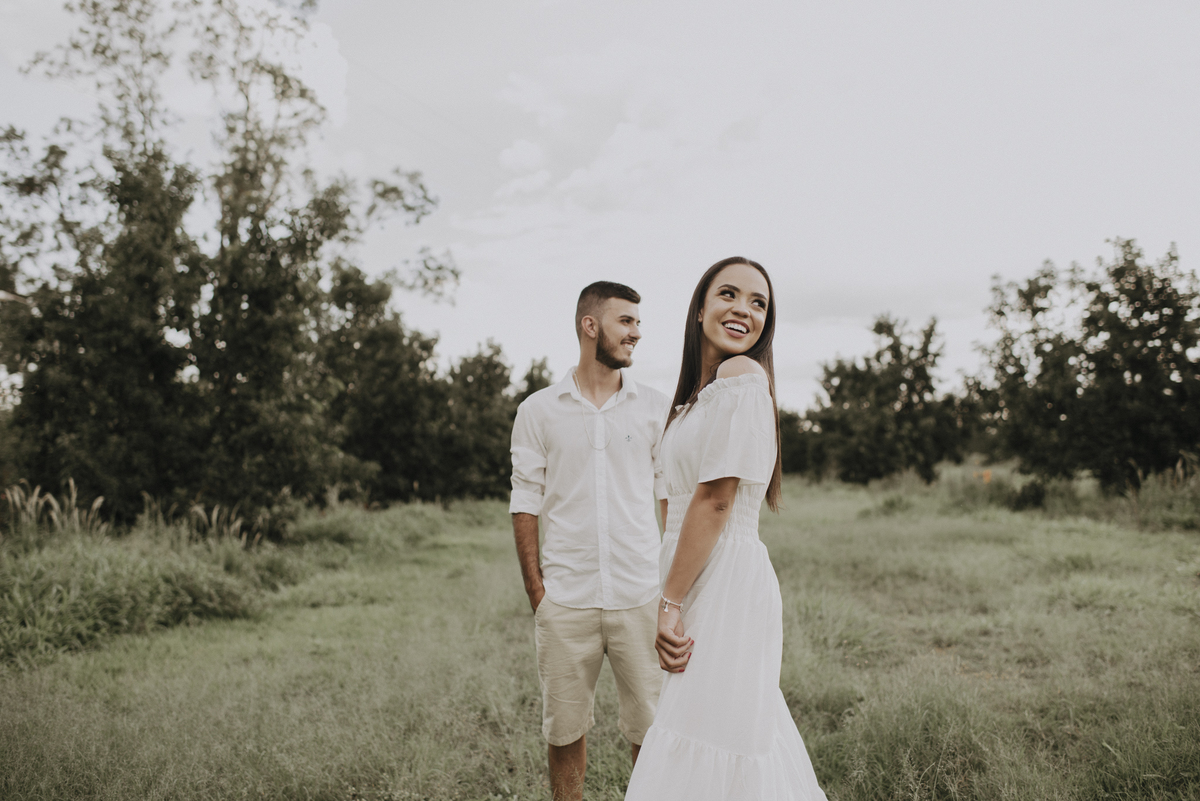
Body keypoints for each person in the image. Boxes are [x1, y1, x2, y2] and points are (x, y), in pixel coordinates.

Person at [624, 258, 827, 800]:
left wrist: (669, 602)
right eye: (729, 294)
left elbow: (715, 501)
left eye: (759, 302)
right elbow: (674, 504)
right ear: (699, 309)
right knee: (712, 727)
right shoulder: (694, 398)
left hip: (727, 581)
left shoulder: (741, 377)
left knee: (713, 733)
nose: (744, 309)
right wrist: (670, 589)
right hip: (695, 575)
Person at [510, 281, 671, 801]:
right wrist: (539, 594)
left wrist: (669, 588)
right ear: (590, 325)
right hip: (566, 600)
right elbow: (525, 501)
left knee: (652, 734)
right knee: (564, 733)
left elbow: (669, 499)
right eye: (626, 322)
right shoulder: (538, 410)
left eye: (638, 323)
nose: (636, 333)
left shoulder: (654, 408)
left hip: (640, 595)